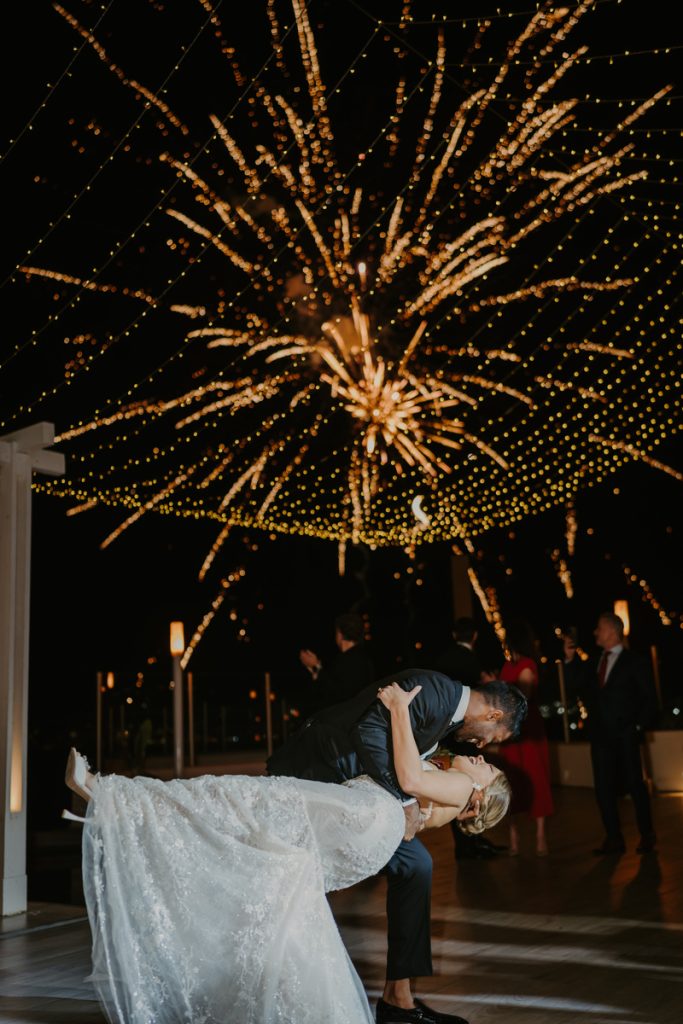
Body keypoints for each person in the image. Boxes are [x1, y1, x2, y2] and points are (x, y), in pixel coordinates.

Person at [64, 688, 510, 1024]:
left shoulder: (460, 787)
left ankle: (117, 798)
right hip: (364, 820)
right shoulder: (453, 778)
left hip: (365, 815)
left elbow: (409, 777)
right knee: (274, 868)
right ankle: (122, 809)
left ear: (481, 796)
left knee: (246, 800)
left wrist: (397, 709)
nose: (481, 759)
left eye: (488, 767)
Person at [267, 668, 527, 1024]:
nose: (483, 747)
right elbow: (368, 730)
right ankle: (292, 969)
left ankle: (398, 999)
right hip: (322, 766)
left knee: (417, 866)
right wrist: (406, 801)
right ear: (493, 715)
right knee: (295, 871)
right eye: (493, 737)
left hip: (367, 796)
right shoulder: (435, 691)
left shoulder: (449, 720)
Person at [563, 611, 658, 855]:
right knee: (603, 787)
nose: (595, 632)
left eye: (599, 628)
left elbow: (649, 699)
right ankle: (613, 838)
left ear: (613, 631)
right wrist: (571, 659)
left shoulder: (635, 661)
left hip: (626, 733)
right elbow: (576, 686)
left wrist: (637, 726)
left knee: (635, 785)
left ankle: (647, 834)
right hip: (600, 735)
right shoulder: (595, 661)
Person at [434, 617, 508, 860]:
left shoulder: (442, 659)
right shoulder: (473, 661)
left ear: (455, 634)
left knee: (465, 783)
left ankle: (468, 843)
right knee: (471, 784)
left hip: (444, 733)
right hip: (467, 734)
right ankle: (469, 844)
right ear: (474, 636)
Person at [493, 620, 554, 856]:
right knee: (511, 781)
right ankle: (514, 838)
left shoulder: (527, 665)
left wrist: (498, 688)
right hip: (510, 729)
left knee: (535, 776)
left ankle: (540, 838)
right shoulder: (508, 664)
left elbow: (524, 697)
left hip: (528, 728)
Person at [300, 611, 375, 711]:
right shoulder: (363, 659)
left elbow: (335, 693)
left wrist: (316, 666)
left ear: (340, 634)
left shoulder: (347, 660)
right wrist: (316, 668)